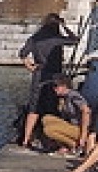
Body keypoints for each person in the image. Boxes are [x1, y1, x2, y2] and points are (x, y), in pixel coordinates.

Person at [19, 13, 78, 147]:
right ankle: (51, 139)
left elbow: (22, 53)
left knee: (33, 108)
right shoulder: (57, 39)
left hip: (39, 75)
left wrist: (29, 66)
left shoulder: (35, 38)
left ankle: (26, 139)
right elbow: (75, 40)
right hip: (54, 76)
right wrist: (65, 27)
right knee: (52, 107)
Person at [38, 75, 93, 155]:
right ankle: (65, 145)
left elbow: (86, 111)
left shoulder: (73, 95)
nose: (54, 89)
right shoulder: (64, 98)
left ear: (64, 86)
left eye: (56, 86)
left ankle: (74, 145)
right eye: (53, 86)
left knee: (49, 130)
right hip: (72, 125)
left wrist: (83, 135)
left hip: (79, 128)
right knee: (46, 118)